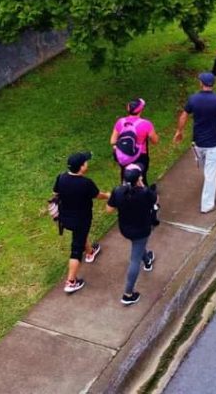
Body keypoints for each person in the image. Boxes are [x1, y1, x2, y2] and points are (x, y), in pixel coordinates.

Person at [174, 72, 216, 214]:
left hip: (197, 143)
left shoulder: (193, 99)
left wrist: (179, 131)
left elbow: (183, 116)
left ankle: (208, 197)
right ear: (212, 84)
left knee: (205, 168)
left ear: (201, 83)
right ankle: (207, 205)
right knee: (210, 174)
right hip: (213, 144)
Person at [54, 151, 109, 294]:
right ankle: (71, 282)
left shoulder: (61, 178)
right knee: (76, 249)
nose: (87, 163)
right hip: (81, 219)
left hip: (65, 218)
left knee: (80, 236)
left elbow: (56, 193)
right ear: (81, 167)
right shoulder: (85, 183)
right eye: (86, 162)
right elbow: (98, 195)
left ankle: (91, 251)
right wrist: (109, 195)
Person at [106, 164, 158, 306]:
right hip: (141, 230)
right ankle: (128, 294)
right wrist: (144, 186)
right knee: (135, 260)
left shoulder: (118, 191)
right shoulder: (145, 193)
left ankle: (147, 259)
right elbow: (155, 201)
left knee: (139, 247)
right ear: (138, 179)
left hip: (125, 229)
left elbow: (109, 209)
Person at [109, 98, 160, 183]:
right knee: (141, 178)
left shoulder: (120, 122)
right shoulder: (146, 124)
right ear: (141, 110)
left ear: (128, 108)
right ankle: (145, 194)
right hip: (140, 156)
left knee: (125, 176)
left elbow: (112, 141)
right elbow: (155, 141)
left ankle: (123, 193)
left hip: (124, 155)